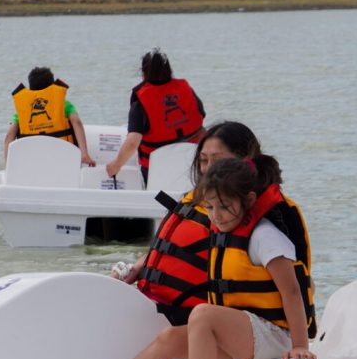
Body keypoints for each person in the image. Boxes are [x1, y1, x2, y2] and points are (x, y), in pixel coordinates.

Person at [109, 158, 317, 359]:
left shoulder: (265, 237)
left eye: (224, 206)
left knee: (203, 314)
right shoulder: (222, 236)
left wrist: (299, 346)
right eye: (210, 207)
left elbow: (292, 292)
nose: (216, 215)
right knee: (170, 338)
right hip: (244, 336)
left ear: (248, 200)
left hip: (275, 337)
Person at [112, 121, 279, 327]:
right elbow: (176, 248)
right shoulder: (198, 201)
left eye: (217, 160)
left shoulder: (245, 215)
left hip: (189, 319)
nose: (207, 168)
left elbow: (292, 280)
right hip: (154, 302)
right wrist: (136, 267)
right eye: (203, 160)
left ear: (244, 161)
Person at [105, 49, 205, 185]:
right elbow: (200, 117)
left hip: (158, 168)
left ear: (143, 73)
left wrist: (116, 165)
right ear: (169, 70)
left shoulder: (140, 104)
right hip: (193, 162)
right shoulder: (186, 90)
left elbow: (133, 142)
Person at [4, 67, 95, 167]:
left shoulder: (21, 112)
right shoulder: (64, 105)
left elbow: (9, 135)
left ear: (31, 87)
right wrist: (84, 153)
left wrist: (7, 165)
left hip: (32, 158)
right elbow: (76, 122)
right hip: (63, 156)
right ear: (52, 86)